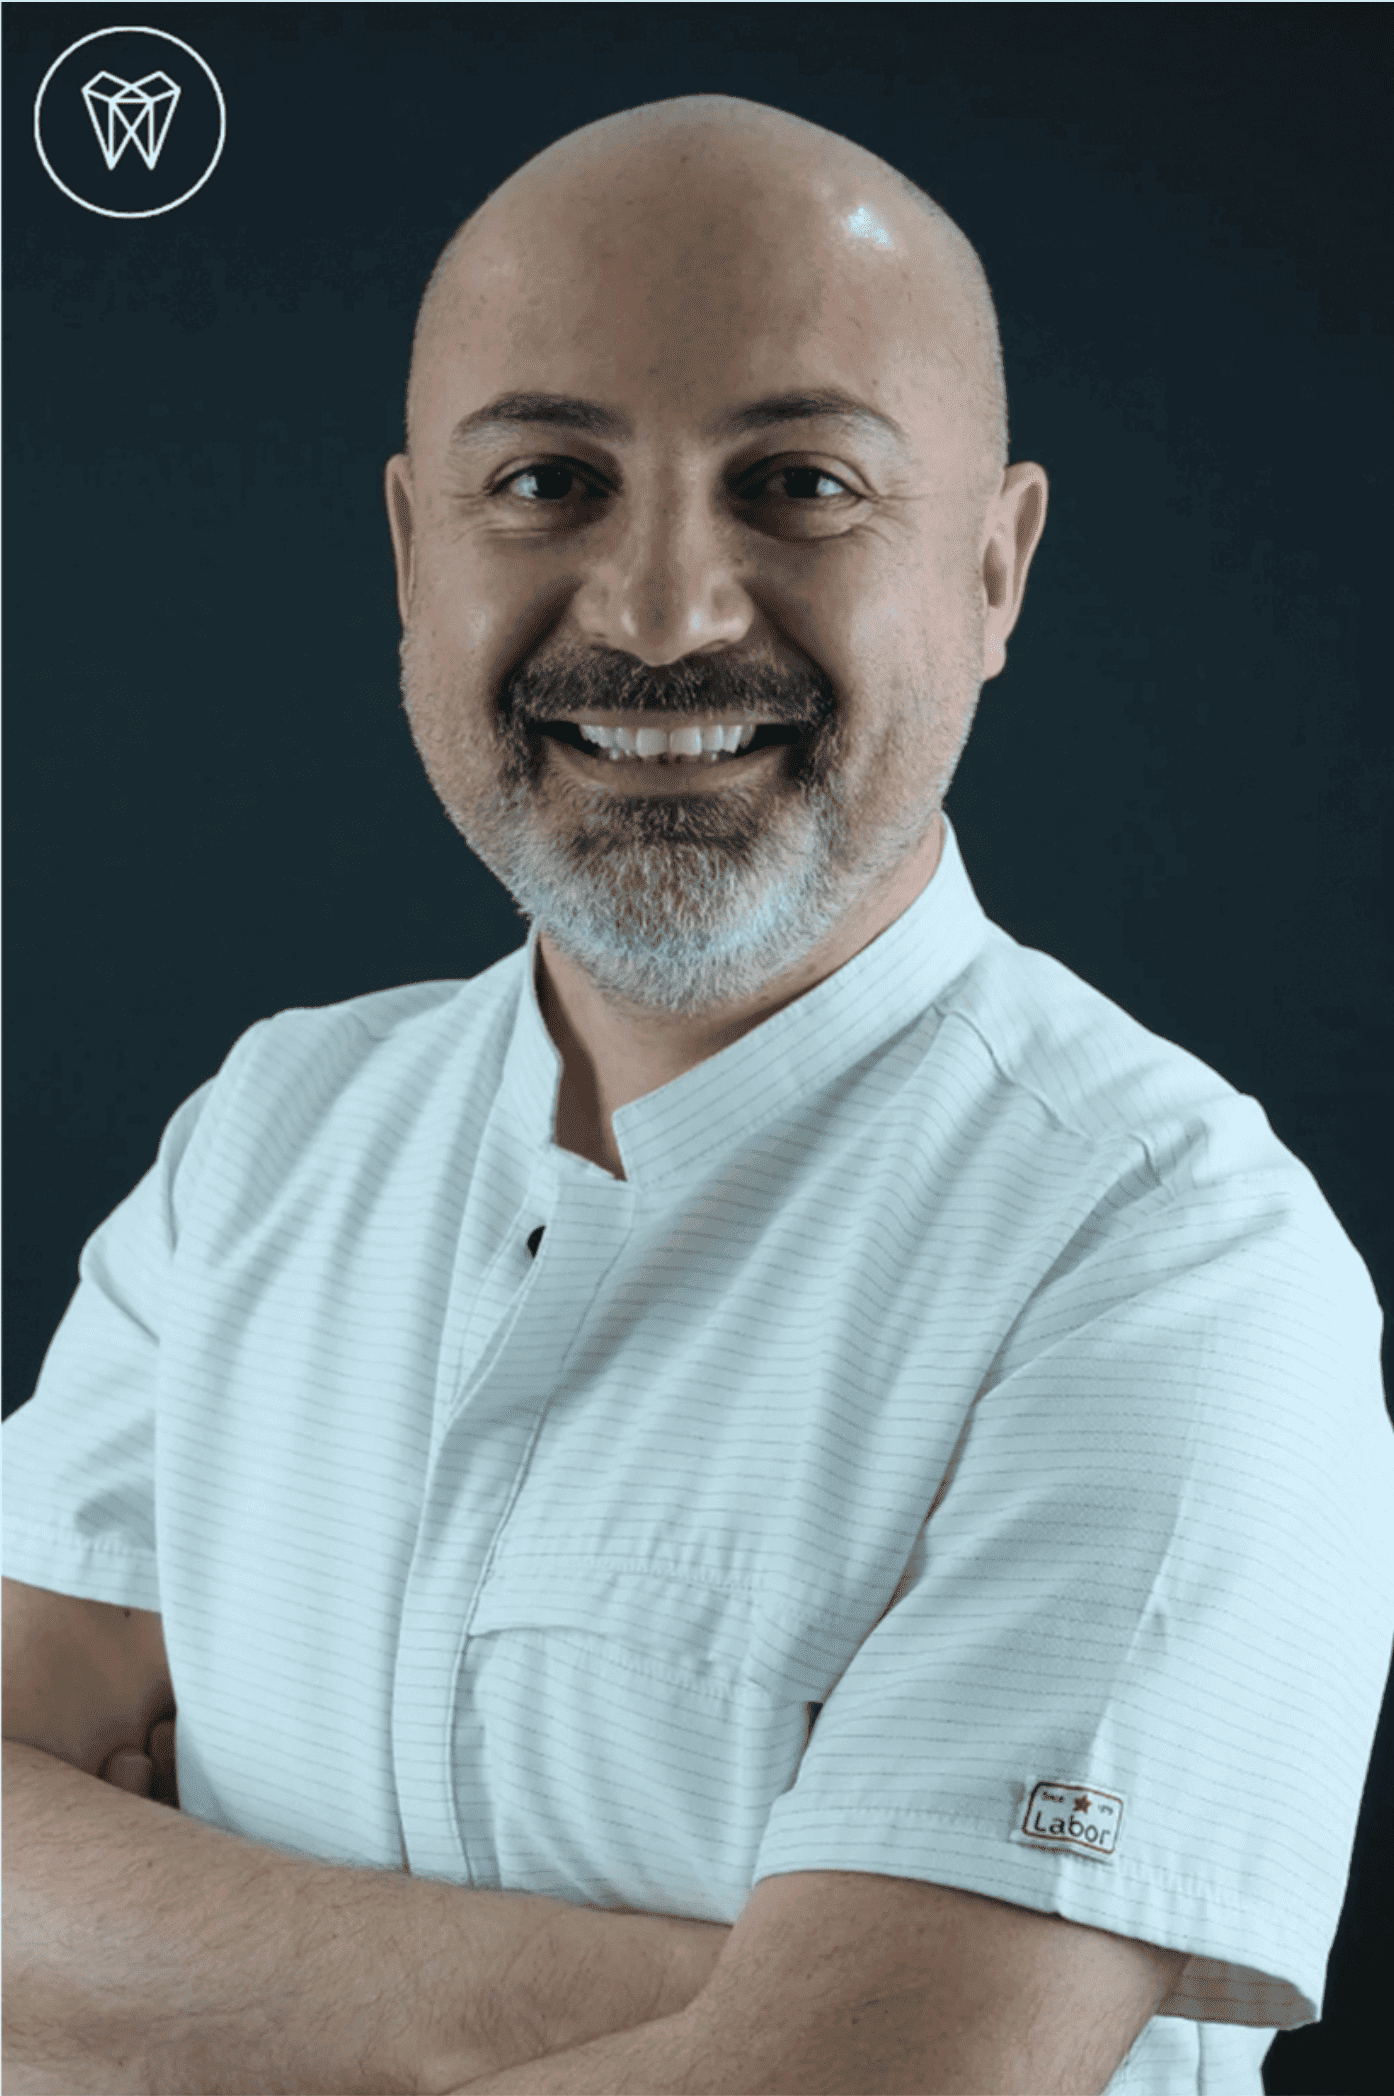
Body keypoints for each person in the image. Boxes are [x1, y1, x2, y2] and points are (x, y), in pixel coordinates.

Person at [5, 92, 1392, 2096]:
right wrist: (724, 2003)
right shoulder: (269, 1140)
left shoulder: (1166, 1260)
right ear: (411, 554)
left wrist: (138, 1982)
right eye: (546, 481)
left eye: (800, 484)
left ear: (994, 570)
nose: (659, 615)